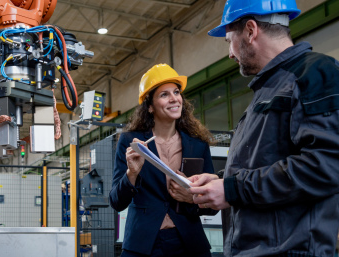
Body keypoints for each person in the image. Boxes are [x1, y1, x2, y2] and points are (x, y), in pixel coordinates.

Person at [189, 0, 339, 256]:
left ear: (250, 30)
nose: (230, 53)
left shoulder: (315, 74)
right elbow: (266, 159)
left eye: (229, 41)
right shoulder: (270, 88)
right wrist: (222, 181)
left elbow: (326, 165)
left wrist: (233, 189)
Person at [110, 64, 218, 257]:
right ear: (150, 106)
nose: (174, 98)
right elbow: (117, 202)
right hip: (142, 244)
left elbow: (212, 207)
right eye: (164, 94)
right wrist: (132, 173)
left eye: (176, 92)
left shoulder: (198, 145)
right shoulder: (131, 143)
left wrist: (192, 198)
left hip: (188, 243)